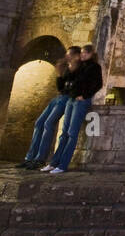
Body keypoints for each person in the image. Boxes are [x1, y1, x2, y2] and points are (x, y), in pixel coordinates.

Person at [44, 43, 102, 174]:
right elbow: (66, 80)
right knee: (64, 133)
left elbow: (98, 84)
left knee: (72, 133)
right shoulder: (80, 67)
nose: (82, 55)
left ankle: (63, 165)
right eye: (81, 53)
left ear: (91, 54)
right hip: (71, 99)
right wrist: (64, 72)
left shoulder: (94, 67)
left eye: (85, 53)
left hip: (80, 101)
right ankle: (54, 163)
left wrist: (85, 95)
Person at [18, 47, 80, 169]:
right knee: (39, 123)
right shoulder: (67, 67)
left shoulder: (78, 68)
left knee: (48, 123)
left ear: (75, 56)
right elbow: (61, 86)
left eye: (69, 55)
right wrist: (60, 74)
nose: (66, 57)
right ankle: (29, 157)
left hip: (67, 98)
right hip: (59, 97)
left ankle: (40, 159)